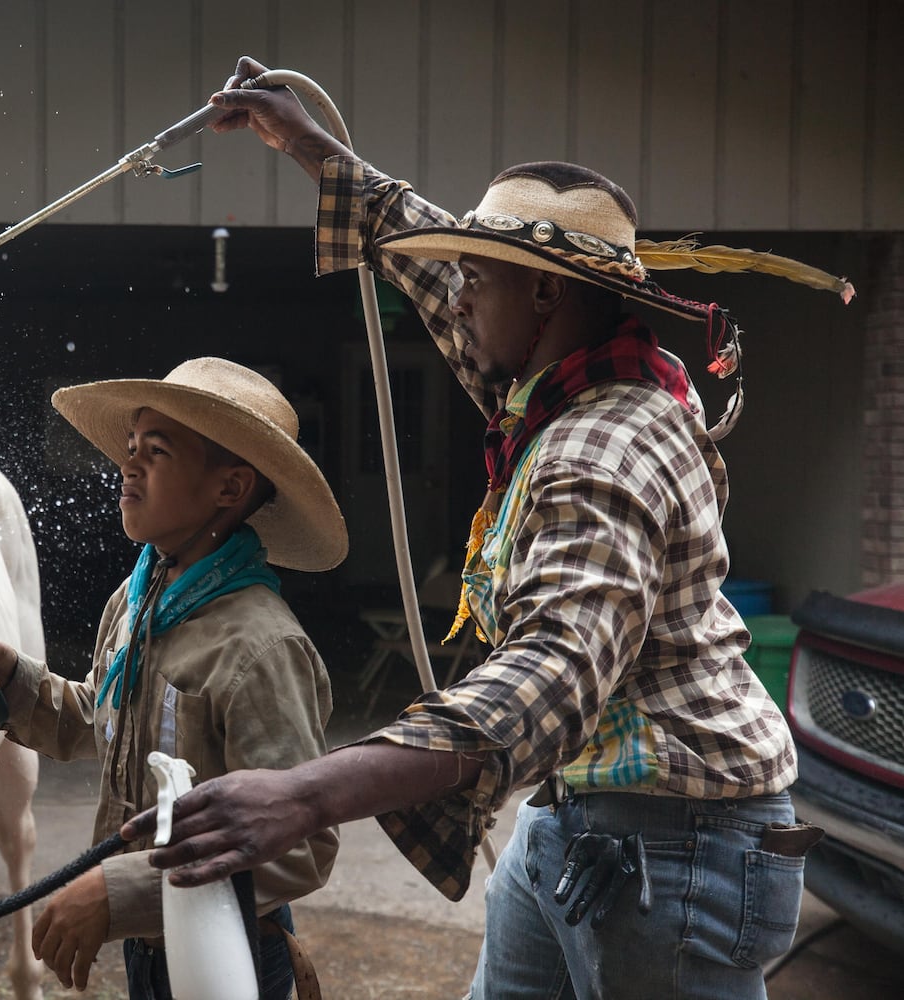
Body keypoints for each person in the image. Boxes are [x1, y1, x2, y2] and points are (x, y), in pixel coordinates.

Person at [123, 57, 834, 1000]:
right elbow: (423, 259)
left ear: (547, 296)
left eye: (480, 277)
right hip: (584, 815)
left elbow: (557, 666)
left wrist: (306, 791)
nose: (455, 297)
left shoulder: (604, 447)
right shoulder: (554, 386)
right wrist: (305, 143)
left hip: (681, 844)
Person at [0, 356, 346, 998]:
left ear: (230, 489)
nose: (128, 466)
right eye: (131, 448)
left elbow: (298, 847)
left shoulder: (262, 647)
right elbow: (98, 724)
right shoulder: (133, 605)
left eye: (156, 451)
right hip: (153, 946)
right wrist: (12, 681)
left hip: (229, 952)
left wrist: (120, 890)